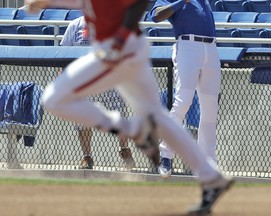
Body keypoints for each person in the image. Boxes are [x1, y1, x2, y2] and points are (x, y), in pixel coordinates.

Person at [26, 0, 234, 215]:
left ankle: (133, 129)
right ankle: (211, 178)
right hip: (131, 49)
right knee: (159, 117)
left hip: (116, 49)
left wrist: (120, 37)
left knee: (53, 99)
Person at [148, 0, 222, 179]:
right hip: (188, 46)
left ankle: (207, 161)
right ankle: (166, 154)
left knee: (210, 108)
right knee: (183, 102)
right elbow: (156, 16)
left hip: (211, 48)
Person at [60, 15, 135, 170]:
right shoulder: (75, 25)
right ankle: (87, 157)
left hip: (108, 80)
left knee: (119, 117)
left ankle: (124, 150)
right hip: (83, 82)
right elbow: (62, 55)